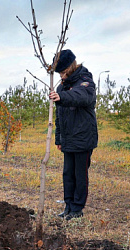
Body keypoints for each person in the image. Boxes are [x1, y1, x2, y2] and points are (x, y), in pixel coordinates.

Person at [49, 49, 98, 221]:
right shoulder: (62, 86)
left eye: (63, 72)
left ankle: (77, 209)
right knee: (68, 174)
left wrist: (61, 97)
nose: (61, 76)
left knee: (80, 175)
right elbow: (59, 116)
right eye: (59, 73)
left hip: (83, 138)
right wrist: (59, 138)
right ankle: (68, 206)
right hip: (68, 139)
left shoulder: (85, 81)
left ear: (70, 67)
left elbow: (81, 97)